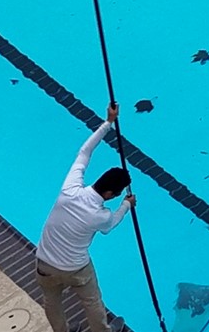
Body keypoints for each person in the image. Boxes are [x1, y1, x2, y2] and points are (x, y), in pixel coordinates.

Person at [34, 103, 135, 332]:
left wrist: (108, 123)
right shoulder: (100, 216)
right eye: (117, 194)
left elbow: (84, 152)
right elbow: (112, 224)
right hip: (75, 268)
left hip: (45, 262)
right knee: (92, 302)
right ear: (110, 194)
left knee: (52, 303)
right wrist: (126, 205)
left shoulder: (70, 189)